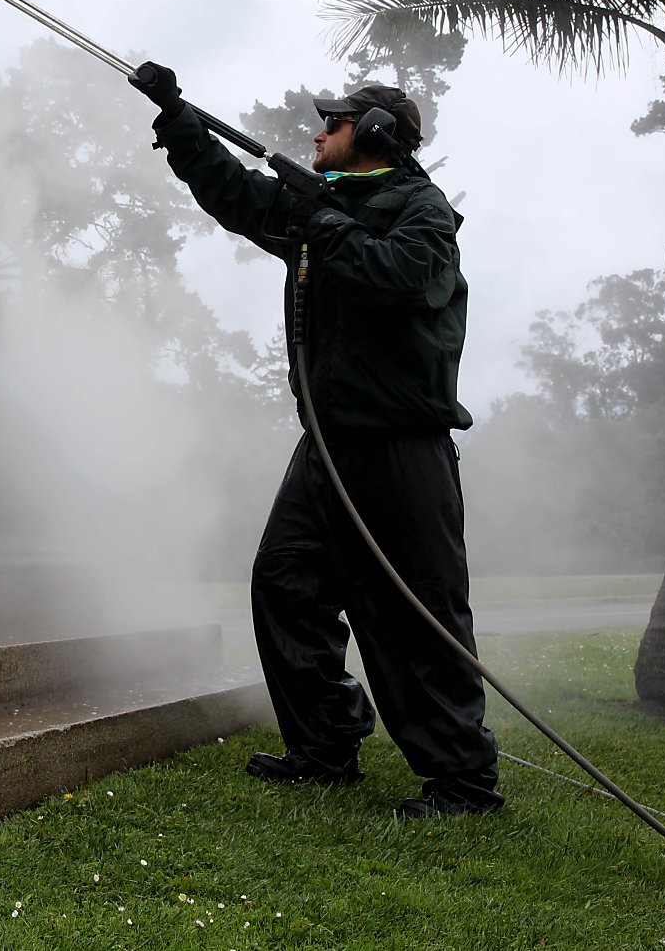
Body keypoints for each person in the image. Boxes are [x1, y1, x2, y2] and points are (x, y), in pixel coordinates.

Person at [130, 63, 501, 817]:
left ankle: (462, 781)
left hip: (401, 449)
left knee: (415, 615)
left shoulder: (421, 211)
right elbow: (234, 195)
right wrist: (176, 119)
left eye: (330, 122)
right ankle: (325, 744)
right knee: (285, 583)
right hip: (326, 448)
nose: (315, 133)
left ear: (372, 134)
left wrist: (324, 221)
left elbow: (401, 278)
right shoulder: (317, 209)